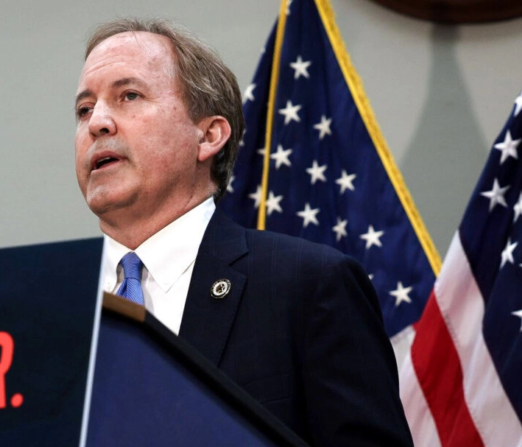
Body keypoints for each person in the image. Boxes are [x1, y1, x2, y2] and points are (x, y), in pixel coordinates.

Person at [74, 18, 413, 446]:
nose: (97, 123)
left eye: (129, 96)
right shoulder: (51, 307)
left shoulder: (308, 286)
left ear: (209, 135)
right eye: (84, 109)